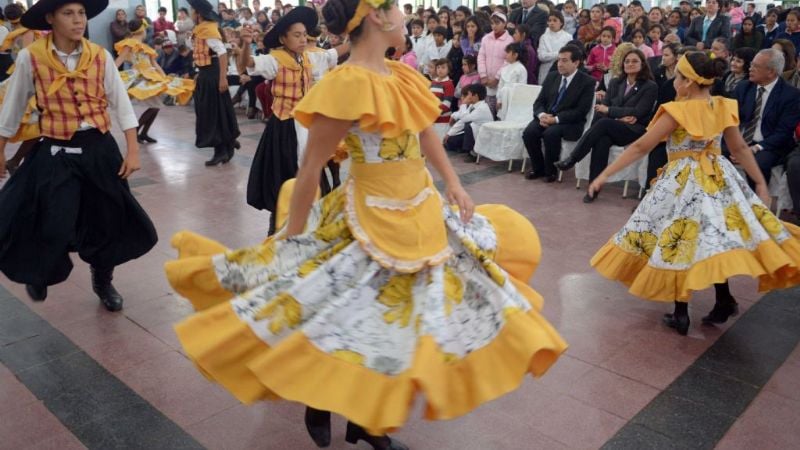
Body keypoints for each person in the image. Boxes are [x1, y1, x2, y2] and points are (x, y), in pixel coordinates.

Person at [163, 1, 567, 449]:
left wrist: (453, 184)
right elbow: (311, 167)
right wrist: (292, 239)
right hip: (366, 216)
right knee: (339, 307)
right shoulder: (346, 83)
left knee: (396, 320)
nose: (404, 17)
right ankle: (324, 398)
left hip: (420, 211)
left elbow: (424, 132)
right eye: (396, 8)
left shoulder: (402, 75)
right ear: (377, 16)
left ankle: (367, 421)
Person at [588, 51, 800, 336]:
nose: (674, 82)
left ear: (688, 82)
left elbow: (640, 147)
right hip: (718, 178)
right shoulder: (722, 106)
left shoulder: (678, 111)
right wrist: (760, 183)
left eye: (678, 76)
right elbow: (738, 148)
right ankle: (721, 300)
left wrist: (604, 174)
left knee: (680, 241)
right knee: (711, 239)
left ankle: (683, 312)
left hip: (683, 182)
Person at [0, 0, 158, 311]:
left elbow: (121, 104)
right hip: (56, 150)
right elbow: (13, 108)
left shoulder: (99, 56)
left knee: (105, 220)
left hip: (99, 149)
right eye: (68, 13)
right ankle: (40, 270)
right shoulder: (32, 57)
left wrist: (133, 150)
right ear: (50, 18)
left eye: (81, 13)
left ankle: (103, 280)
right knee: (51, 218)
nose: (78, 20)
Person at [242, 6, 345, 234]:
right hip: (284, 126)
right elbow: (248, 64)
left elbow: (334, 53)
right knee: (284, 178)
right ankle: (277, 226)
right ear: (283, 38)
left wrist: (358, 35)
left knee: (312, 174)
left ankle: (309, 225)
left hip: (307, 125)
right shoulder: (275, 60)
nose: (302, 39)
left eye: (304, 35)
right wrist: (245, 45)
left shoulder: (310, 58)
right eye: (297, 35)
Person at [554, 47, 658, 202]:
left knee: (603, 124)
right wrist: (617, 116)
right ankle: (593, 189)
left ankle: (573, 158)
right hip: (612, 126)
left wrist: (610, 111)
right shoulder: (616, 83)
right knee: (601, 141)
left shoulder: (650, 86)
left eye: (635, 61)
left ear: (642, 64)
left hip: (634, 130)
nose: (630, 64)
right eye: (627, 61)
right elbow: (602, 109)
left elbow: (638, 112)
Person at [114, 19, 195, 143]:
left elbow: (154, 64)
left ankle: (143, 133)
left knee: (156, 107)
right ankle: (136, 132)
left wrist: (164, 77)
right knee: (155, 106)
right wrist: (109, 75)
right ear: (142, 30)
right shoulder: (130, 44)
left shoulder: (145, 46)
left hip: (152, 75)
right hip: (141, 77)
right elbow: (118, 61)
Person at [522, 44, 595, 182]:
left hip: (570, 122)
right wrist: (542, 115)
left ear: (576, 63)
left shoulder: (587, 82)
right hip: (547, 116)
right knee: (529, 133)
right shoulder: (552, 76)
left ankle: (551, 171)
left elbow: (581, 111)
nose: (560, 64)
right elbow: (539, 102)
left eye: (564, 60)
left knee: (551, 133)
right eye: (559, 60)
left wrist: (555, 119)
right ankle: (538, 168)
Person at [187, 0, 240, 167]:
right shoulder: (201, 29)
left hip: (213, 75)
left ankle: (221, 150)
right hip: (206, 73)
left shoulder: (208, 30)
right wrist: (200, 73)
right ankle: (227, 143)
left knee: (214, 112)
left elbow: (222, 53)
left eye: (192, 10)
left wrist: (222, 78)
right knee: (214, 111)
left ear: (198, 14)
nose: (190, 13)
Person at [736, 48, 800, 185]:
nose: (750, 68)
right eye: (751, 64)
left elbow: (783, 133)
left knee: (757, 163)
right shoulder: (743, 87)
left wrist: (755, 148)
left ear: (771, 72)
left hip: (769, 145)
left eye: (756, 66)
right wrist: (736, 146)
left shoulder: (791, 95)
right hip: (741, 140)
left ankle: (757, 196)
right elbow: (733, 120)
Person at [478, 11, 513, 114]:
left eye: (497, 23)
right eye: (492, 23)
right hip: (487, 81)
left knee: (499, 110)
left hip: (501, 81)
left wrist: (497, 78)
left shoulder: (509, 40)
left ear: (504, 23)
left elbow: (507, 61)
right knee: (487, 110)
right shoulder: (486, 38)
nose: (494, 26)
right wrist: (483, 75)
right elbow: (481, 56)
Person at [445, 83, 493, 153]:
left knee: (468, 125)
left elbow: (465, 119)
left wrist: (463, 104)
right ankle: (465, 148)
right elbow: (461, 121)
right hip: (474, 132)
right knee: (450, 141)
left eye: (469, 94)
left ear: (475, 96)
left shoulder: (482, 108)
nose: (467, 97)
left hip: (482, 135)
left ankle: (471, 152)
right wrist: (449, 134)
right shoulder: (472, 105)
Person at [537, 11, 573, 84]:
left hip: (562, 69)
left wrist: (551, 55)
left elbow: (568, 56)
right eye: (549, 20)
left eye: (555, 20)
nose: (551, 23)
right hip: (545, 70)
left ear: (561, 22)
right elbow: (542, 56)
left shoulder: (568, 37)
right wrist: (560, 54)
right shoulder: (543, 37)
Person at [495, 42, 528, 120]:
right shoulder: (504, 68)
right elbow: (500, 85)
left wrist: (515, 101)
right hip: (503, 99)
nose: (506, 55)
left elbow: (522, 87)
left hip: (514, 101)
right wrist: (499, 99)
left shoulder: (521, 69)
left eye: (508, 53)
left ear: (515, 55)